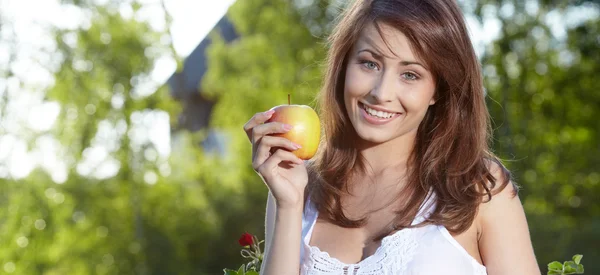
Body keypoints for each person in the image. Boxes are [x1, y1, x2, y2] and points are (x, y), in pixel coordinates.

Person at [243, 0, 541, 274]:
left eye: (410, 74)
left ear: (438, 89)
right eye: (369, 63)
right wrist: (289, 203)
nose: (381, 93)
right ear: (344, 65)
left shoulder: (478, 189)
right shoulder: (299, 187)